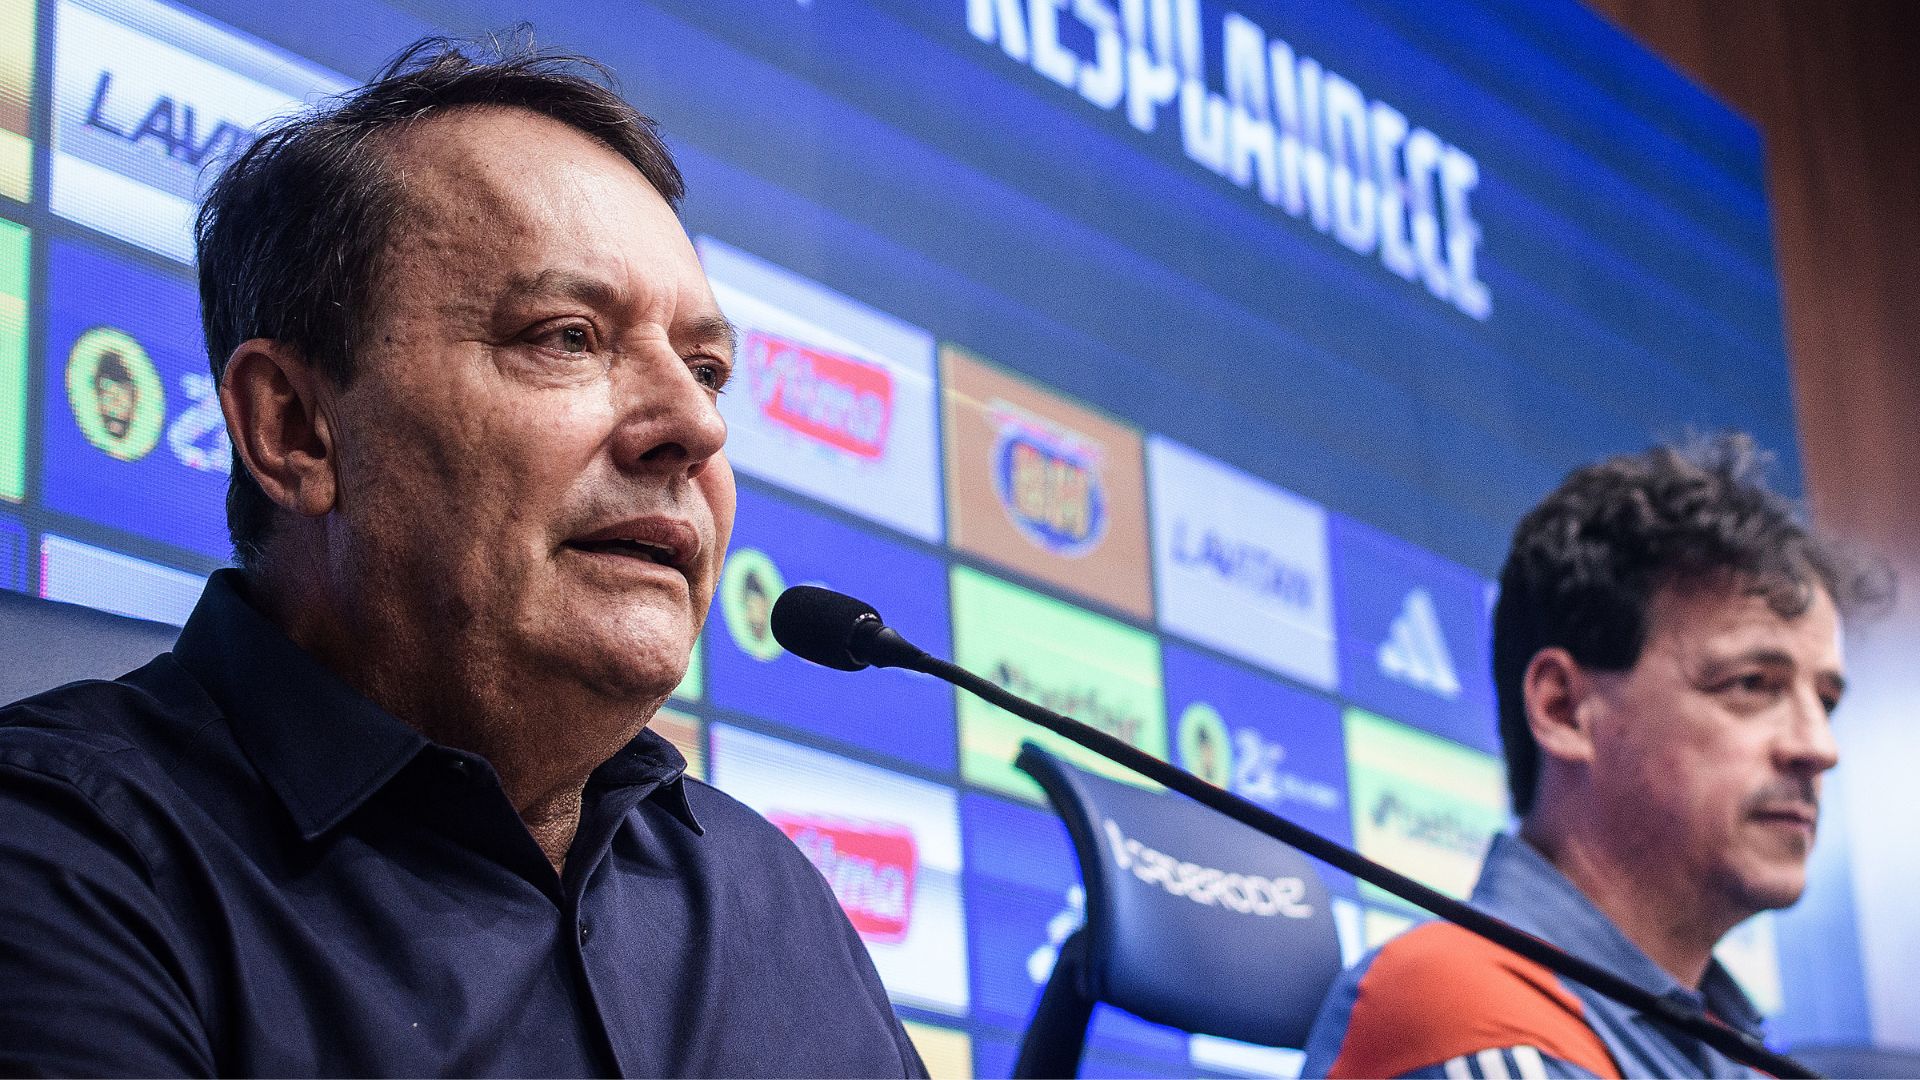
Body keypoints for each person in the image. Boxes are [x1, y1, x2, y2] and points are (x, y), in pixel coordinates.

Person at [0, 38, 925, 1077]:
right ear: (297, 428)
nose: (694, 427)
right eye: (567, 337)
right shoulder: (66, 856)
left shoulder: (772, 902)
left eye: (706, 370)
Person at [1303, 436, 1876, 1079]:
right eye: (1751, 684)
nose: (1818, 748)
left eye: (1826, 701)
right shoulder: (1466, 1008)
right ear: (1565, 710)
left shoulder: (1730, 1048)